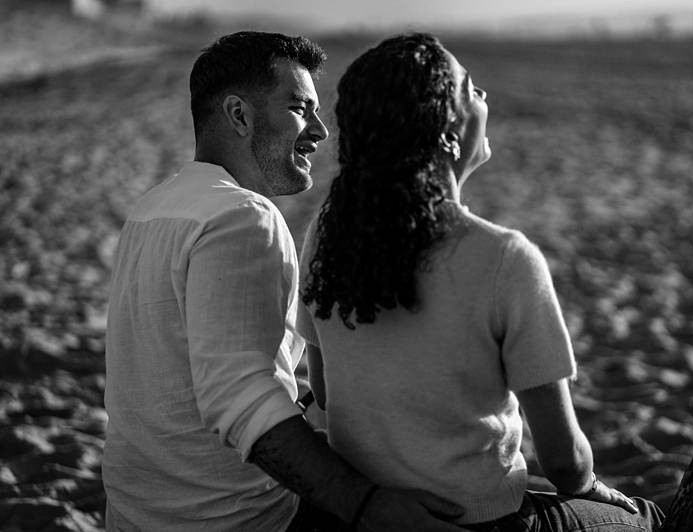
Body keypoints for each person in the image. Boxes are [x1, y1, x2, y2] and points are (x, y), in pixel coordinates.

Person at [297, 33, 663, 530]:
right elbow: (563, 463)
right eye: (471, 89)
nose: (483, 98)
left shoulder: (328, 231)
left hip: (365, 514)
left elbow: (323, 389)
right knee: (650, 518)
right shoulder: (503, 259)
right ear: (449, 129)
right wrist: (595, 489)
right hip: (477, 519)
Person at [104, 31, 464, 531]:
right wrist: (365, 505)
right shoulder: (243, 216)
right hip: (244, 519)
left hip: (137, 515)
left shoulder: (153, 208)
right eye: (300, 108)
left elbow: (186, 381)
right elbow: (239, 396)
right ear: (239, 116)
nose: (321, 131)